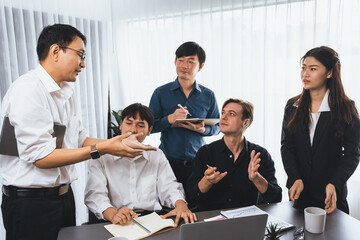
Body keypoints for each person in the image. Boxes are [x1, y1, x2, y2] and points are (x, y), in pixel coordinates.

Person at [0, 24, 154, 240]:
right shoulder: (28, 90)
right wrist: (103, 148)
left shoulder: (65, 92)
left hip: (63, 196)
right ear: (55, 51)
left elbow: (79, 139)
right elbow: (41, 157)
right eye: (80, 54)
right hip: (30, 203)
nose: (83, 63)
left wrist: (119, 145)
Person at [85, 103, 196, 227]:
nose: (133, 130)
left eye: (140, 125)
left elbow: (169, 186)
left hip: (151, 219)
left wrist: (181, 205)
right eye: (129, 123)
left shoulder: (156, 154)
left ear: (149, 131)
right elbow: (95, 194)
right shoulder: (101, 156)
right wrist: (113, 214)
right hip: (113, 220)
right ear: (121, 125)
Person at [281, 46, 360, 214]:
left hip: (330, 196)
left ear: (329, 73)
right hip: (299, 195)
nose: (305, 74)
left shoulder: (346, 108)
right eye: (303, 68)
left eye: (313, 69)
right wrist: (295, 177)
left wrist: (334, 183)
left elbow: (352, 154)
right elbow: (287, 147)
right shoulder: (292, 106)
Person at [186, 98, 282, 211]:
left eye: (231, 114)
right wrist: (207, 181)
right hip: (211, 221)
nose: (224, 117)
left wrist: (256, 178)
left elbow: (276, 198)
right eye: (223, 113)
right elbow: (190, 197)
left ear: (245, 122)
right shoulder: (206, 152)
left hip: (246, 221)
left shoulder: (260, 154)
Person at [149, 41, 220, 188]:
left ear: (200, 66)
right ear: (175, 62)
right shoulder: (160, 93)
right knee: (170, 204)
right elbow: (150, 127)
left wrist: (203, 130)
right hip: (168, 161)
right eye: (180, 60)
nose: (184, 66)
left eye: (190, 61)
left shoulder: (208, 95)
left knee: (197, 203)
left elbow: (218, 127)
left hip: (198, 161)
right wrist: (169, 119)